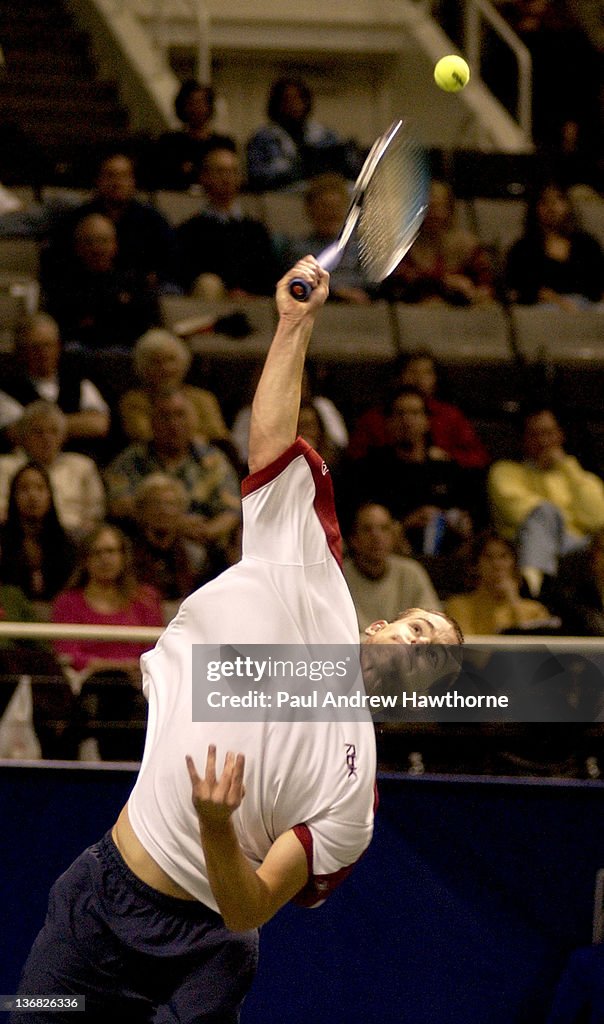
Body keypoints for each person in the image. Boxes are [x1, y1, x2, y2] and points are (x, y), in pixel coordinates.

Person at [10, 258, 462, 1023]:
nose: (420, 644)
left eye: (435, 657)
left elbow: (248, 907)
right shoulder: (311, 576)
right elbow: (271, 447)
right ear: (380, 625)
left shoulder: (353, 791)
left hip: (208, 949)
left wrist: (219, 826)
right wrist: (294, 325)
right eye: (421, 627)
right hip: (100, 897)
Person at [105, 388, 241, 556]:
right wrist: (173, 523)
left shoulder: (213, 460)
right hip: (145, 547)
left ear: (193, 420)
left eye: (180, 415)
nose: (173, 424)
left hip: (204, 546)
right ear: (152, 421)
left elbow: (231, 510)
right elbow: (119, 504)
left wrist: (205, 532)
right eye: (165, 416)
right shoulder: (130, 460)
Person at [488, 407, 604, 595]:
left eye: (548, 433)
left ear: (560, 435)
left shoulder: (582, 477)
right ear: (523, 439)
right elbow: (517, 512)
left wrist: (567, 468)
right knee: (543, 513)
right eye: (534, 435)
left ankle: (536, 586)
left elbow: (598, 519)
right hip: (522, 546)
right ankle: (534, 588)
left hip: (577, 550)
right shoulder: (505, 472)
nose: (543, 442)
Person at [44, 151, 179, 292]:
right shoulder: (77, 218)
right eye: (110, 176)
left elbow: (171, 261)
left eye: (124, 176)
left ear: (133, 181)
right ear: (98, 180)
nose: (117, 183)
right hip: (87, 289)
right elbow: (57, 259)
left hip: (139, 291)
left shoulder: (153, 220)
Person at [347, 349, 490, 470]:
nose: (419, 379)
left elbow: (479, 457)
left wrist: (448, 457)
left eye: (426, 373)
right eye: (413, 372)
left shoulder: (450, 416)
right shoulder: (374, 418)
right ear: (399, 377)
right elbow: (354, 459)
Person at [52, 523, 164, 676]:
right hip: (86, 683)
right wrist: (108, 667)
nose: (105, 559)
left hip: (138, 682)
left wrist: (132, 668)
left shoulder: (146, 599)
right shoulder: (67, 602)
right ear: (85, 560)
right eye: (97, 553)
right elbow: (66, 653)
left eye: (111, 551)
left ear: (123, 557)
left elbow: (156, 650)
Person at [42, 212, 161, 352]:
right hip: (79, 350)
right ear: (78, 247)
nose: (97, 248)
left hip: (125, 350)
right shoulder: (63, 283)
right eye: (89, 242)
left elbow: (144, 323)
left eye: (103, 241)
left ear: (114, 245)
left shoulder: (134, 281)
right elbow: (62, 325)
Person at [177, 140, 277, 297]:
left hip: (252, 301)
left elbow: (268, 274)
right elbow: (185, 273)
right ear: (205, 178)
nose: (227, 179)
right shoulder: (190, 230)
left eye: (232, 172)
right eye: (220, 172)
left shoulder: (256, 230)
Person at [0, 313, 110, 451]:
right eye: (35, 348)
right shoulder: (8, 389)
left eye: (48, 345)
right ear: (21, 351)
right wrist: (76, 424)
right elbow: (13, 433)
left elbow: (99, 424)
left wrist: (40, 428)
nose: (43, 353)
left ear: (58, 347)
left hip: (74, 462)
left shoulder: (76, 382)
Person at [379, 180, 496, 305]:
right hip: (414, 313)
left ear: (449, 209)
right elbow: (396, 286)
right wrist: (442, 282)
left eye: (438, 207)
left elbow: (486, 286)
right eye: (426, 208)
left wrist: (473, 292)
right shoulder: (401, 247)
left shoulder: (468, 246)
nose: (432, 214)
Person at [0, 400, 105, 536]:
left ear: (63, 436)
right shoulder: (5, 466)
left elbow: (96, 513)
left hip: (75, 536)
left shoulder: (83, 465)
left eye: (53, 431)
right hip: (22, 536)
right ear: (23, 436)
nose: (46, 438)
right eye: (38, 432)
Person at [118, 328, 231, 448]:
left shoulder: (203, 398)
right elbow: (146, 437)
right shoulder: (134, 401)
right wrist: (195, 437)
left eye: (171, 359)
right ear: (144, 367)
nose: (165, 368)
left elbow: (218, 435)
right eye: (156, 362)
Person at [246, 76, 360, 192]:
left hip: (322, 193)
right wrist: (295, 170)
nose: (293, 104)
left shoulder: (325, 135)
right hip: (284, 198)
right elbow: (256, 177)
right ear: (277, 103)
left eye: (298, 98)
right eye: (287, 99)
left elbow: (349, 168)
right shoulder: (262, 139)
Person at [343, 502, 442, 632]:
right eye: (367, 529)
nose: (376, 537)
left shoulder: (411, 572)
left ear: (393, 535)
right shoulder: (340, 576)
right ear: (353, 538)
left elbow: (433, 623)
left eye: (384, 528)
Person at [505, 182, 604, 308]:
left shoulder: (587, 244)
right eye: (544, 201)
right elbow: (519, 290)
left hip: (587, 308)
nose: (551, 206)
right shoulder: (523, 249)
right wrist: (555, 300)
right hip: (544, 311)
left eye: (558, 199)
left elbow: (598, 284)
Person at [282, 173, 373, 303]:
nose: (331, 213)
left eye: (337, 207)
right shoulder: (298, 249)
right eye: (325, 207)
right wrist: (338, 292)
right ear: (310, 210)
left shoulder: (361, 247)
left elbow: (372, 284)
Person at [444, 530, 557, 635]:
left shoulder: (535, 610)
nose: (497, 564)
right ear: (476, 565)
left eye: (504, 557)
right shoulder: (458, 607)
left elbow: (535, 649)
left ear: (514, 564)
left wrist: (513, 601)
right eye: (488, 557)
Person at [0, 462, 76, 600]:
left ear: (50, 495)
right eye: (24, 489)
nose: (33, 496)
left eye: (40, 488)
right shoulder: (2, 542)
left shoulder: (67, 544)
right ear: (13, 497)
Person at [155, 80, 234, 190]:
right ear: (183, 106)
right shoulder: (169, 143)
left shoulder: (224, 144)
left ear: (209, 107)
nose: (197, 108)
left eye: (202, 102)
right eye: (191, 103)